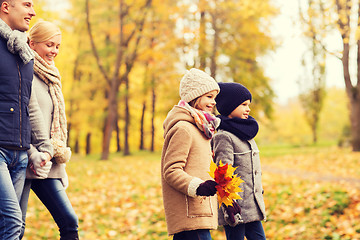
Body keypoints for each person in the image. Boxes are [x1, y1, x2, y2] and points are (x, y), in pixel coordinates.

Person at [19, 21, 79, 240]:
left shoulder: (52, 77)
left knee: (69, 221)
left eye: (58, 46)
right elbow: (21, 118)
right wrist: (34, 152)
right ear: (32, 44)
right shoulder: (23, 72)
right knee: (17, 227)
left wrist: (49, 154)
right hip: (25, 158)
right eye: (49, 44)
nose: (54, 51)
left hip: (48, 160)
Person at [0, 1, 54, 239]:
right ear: (6, 6)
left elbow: (30, 105)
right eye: (26, 4)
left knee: (17, 227)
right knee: (11, 222)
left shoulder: (23, 51)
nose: (32, 12)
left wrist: (43, 148)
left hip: (20, 154)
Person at [161, 68, 220, 240]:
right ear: (195, 97)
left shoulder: (202, 128)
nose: (213, 102)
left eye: (214, 97)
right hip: (189, 213)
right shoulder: (183, 128)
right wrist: (198, 186)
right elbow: (171, 170)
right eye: (209, 97)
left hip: (200, 211)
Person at [211, 82, 266, 240]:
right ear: (229, 107)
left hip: (252, 206)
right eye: (243, 105)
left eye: (248, 105)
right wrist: (229, 204)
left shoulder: (245, 132)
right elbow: (222, 172)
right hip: (235, 208)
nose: (248, 109)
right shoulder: (224, 136)